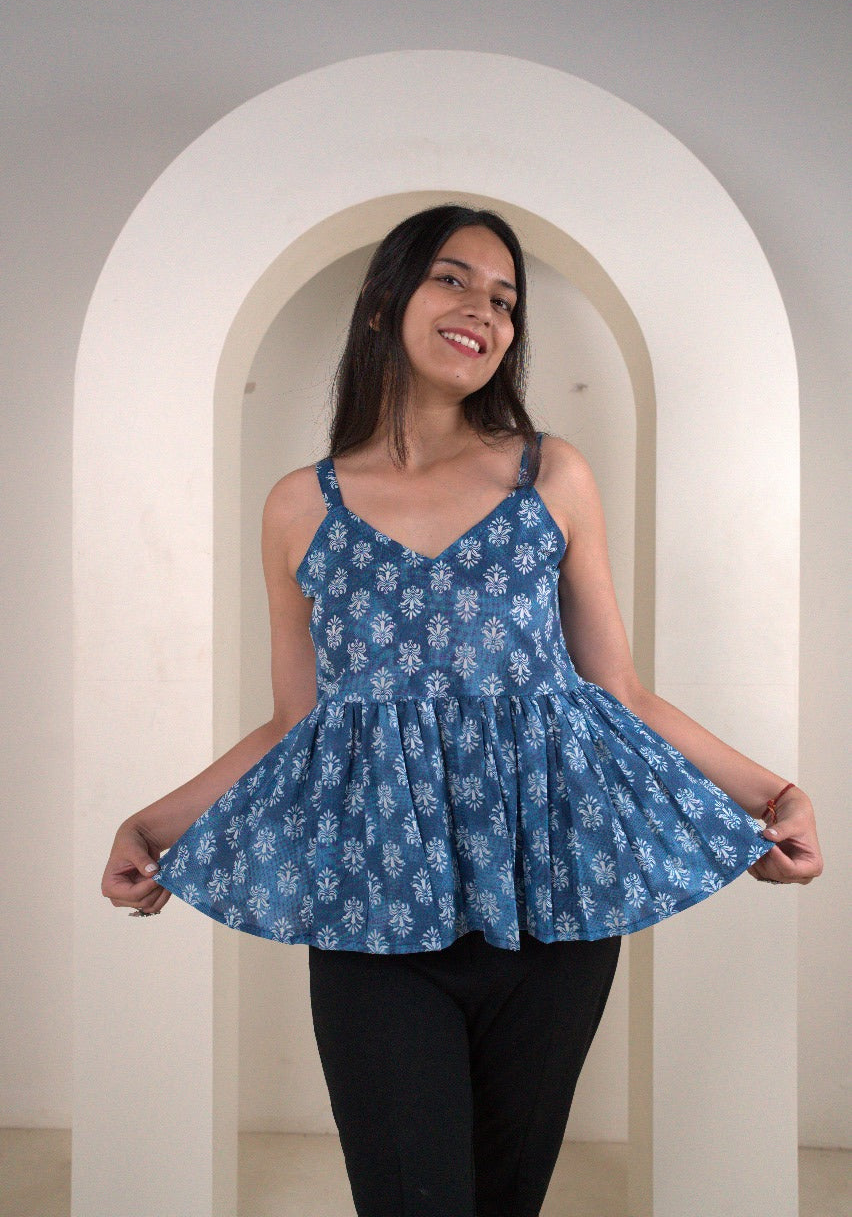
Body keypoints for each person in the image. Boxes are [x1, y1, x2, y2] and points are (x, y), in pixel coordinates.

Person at [101, 203, 823, 1217]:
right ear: (386, 302)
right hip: (373, 915)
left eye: (504, 298)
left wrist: (774, 793)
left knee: (504, 1196)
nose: (481, 309)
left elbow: (617, 692)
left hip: (554, 908)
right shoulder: (300, 506)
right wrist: (153, 824)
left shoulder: (550, 474)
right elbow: (294, 725)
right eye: (453, 279)